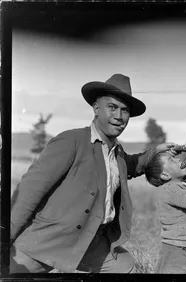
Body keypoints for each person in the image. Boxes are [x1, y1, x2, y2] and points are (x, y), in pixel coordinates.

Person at [10, 74, 176, 273]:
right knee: (11, 273)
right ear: (96, 108)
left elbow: (131, 165)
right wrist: (5, 238)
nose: (119, 116)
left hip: (89, 241)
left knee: (124, 267)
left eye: (125, 110)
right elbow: (29, 191)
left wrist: (155, 152)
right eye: (112, 107)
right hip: (49, 241)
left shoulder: (118, 152)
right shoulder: (71, 141)